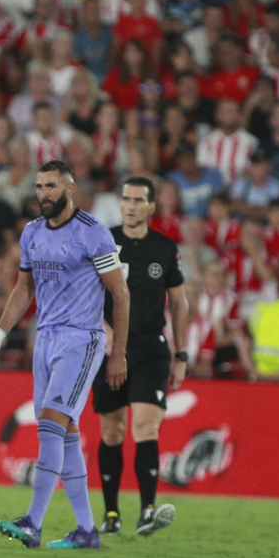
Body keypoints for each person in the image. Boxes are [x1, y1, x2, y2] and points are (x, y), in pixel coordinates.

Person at [0, 160, 130, 550]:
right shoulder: (31, 233)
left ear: (69, 189)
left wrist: (119, 355)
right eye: (39, 187)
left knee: (49, 423)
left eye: (50, 186)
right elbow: (23, 289)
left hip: (82, 339)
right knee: (66, 433)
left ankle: (33, 521)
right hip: (45, 340)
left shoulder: (93, 234)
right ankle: (86, 531)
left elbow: (121, 293)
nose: (43, 193)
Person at [93, 177, 190, 538]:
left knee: (145, 427)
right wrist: (104, 333)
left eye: (138, 200)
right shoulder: (104, 242)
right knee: (112, 431)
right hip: (110, 348)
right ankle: (112, 513)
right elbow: (87, 294)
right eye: (125, 199)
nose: (130, 205)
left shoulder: (165, 249)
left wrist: (180, 355)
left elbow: (180, 303)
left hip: (150, 348)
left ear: (151, 207)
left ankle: (148, 510)